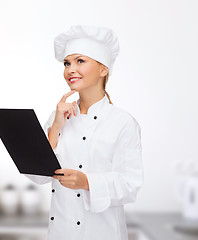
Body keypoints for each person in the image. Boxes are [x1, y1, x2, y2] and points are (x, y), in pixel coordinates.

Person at [25, 25, 144, 240]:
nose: (71, 69)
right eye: (67, 63)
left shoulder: (122, 122)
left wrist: (87, 181)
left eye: (80, 61)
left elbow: (130, 184)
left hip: (103, 233)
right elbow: (36, 176)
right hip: (60, 233)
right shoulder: (57, 117)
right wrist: (56, 128)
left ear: (103, 69)